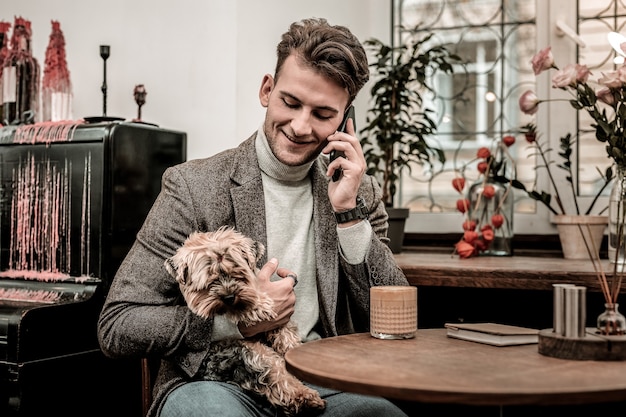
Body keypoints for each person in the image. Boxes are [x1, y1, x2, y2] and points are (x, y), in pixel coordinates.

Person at [97, 17, 410, 417]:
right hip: (213, 384)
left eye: (322, 113)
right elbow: (117, 325)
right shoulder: (193, 185)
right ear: (267, 90)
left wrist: (348, 213)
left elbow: (392, 318)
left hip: (324, 380)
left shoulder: (357, 191)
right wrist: (236, 324)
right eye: (291, 103)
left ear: (345, 120)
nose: (300, 126)